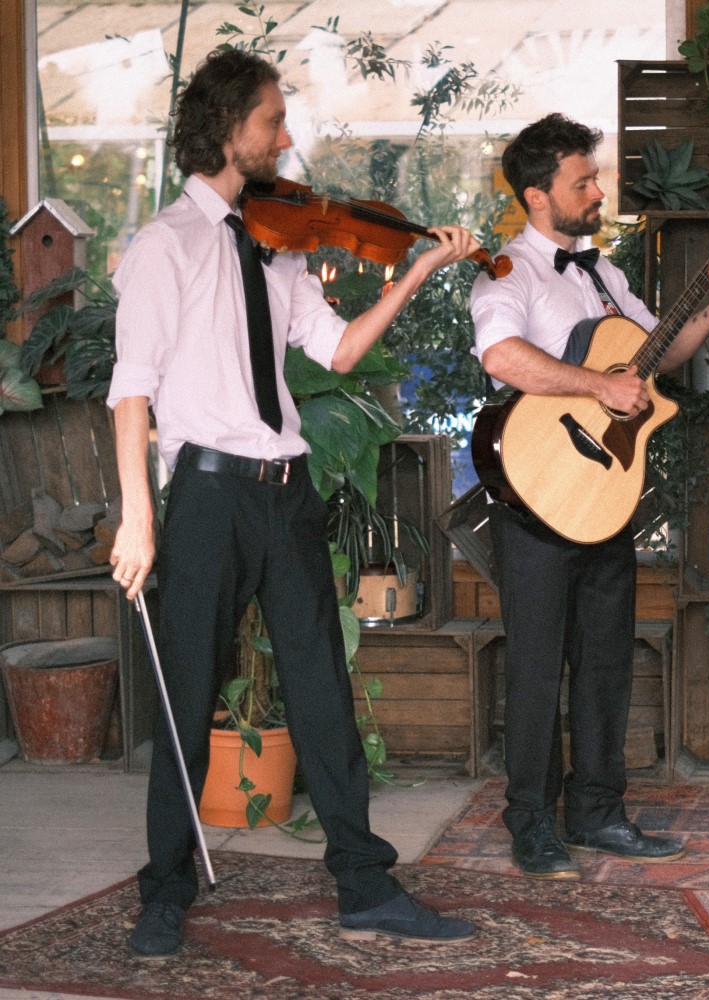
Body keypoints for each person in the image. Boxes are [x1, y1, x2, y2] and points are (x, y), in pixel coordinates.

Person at [108, 48, 481, 958]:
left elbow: (342, 354)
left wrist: (417, 273)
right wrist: (138, 514)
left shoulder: (276, 247)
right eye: (274, 120)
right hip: (204, 498)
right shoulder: (166, 246)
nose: (287, 137)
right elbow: (130, 389)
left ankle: (364, 882)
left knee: (321, 690)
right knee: (185, 696)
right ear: (230, 126)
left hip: (286, 493)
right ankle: (164, 891)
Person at [468, 113, 709, 879]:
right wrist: (594, 383)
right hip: (537, 494)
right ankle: (531, 821)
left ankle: (596, 812)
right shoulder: (508, 273)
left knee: (605, 663)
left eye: (596, 177)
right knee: (536, 664)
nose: (597, 191)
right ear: (538, 196)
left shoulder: (606, 275)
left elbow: (654, 362)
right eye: (582, 181)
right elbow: (503, 355)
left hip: (607, 497)